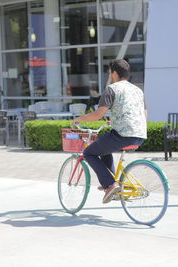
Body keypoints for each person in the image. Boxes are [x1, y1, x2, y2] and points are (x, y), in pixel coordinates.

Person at [72, 59, 147, 204]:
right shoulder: (138, 90)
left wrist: (79, 119)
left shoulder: (112, 89)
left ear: (114, 73)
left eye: (109, 73)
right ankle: (113, 183)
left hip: (123, 135)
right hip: (140, 134)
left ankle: (111, 184)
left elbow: (97, 115)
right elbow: (144, 113)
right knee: (104, 147)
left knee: (89, 153)